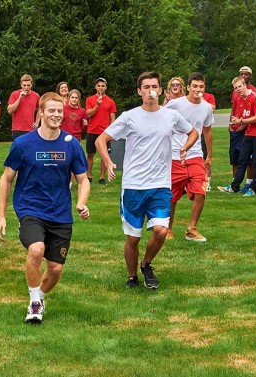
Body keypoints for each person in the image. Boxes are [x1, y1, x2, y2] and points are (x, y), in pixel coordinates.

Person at [95, 71, 198, 289]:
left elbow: (193, 132)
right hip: (133, 186)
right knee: (133, 238)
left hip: (160, 185)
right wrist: (109, 162)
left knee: (161, 231)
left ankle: (146, 263)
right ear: (139, 91)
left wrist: (185, 147)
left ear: (161, 90)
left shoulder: (170, 115)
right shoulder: (130, 116)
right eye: (146, 87)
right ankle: (132, 276)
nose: (151, 90)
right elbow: (101, 139)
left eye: (154, 86)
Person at [0, 92, 90, 323]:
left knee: (56, 269)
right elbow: (6, 178)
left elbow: (83, 179)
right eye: (52, 111)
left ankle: (39, 297)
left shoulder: (71, 144)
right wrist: (1, 216)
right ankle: (35, 303)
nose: (57, 115)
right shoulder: (23, 144)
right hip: (30, 209)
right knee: (36, 249)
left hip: (60, 213)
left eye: (60, 111)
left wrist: (81, 201)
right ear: (41, 113)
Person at [165, 72, 213, 242]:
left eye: (201, 87)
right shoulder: (176, 104)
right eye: (195, 86)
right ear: (188, 87)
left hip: (195, 156)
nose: (198, 90)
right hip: (175, 156)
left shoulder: (206, 107)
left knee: (201, 190)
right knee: (171, 195)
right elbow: (162, 120)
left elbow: (207, 130)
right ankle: (168, 228)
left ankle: (192, 229)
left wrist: (209, 156)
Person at [218, 76, 256, 196]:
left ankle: (253, 188)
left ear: (245, 85)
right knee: (242, 159)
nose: (238, 89)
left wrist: (241, 121)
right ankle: (234, 186)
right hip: (248, 132)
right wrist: (237, 122)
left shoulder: (254, 96)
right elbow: (242, 117)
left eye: (240, 86)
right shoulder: (240, 99)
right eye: (235, 88)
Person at [86, 78, 116, 185]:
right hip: (92, 130)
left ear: (106, 87)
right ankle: (88, 176)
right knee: (90, 154)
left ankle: (102, 177)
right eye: (99, 86)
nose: (101, 87)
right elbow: (89, 114)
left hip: (104, 132)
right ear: (95, 87)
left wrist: (111, 131)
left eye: (103, 86)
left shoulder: (110, 101)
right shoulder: (89, 99)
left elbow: (112, 118)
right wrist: (97, 105)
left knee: (104, 155)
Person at [7, 74, 40, 141]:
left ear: (31, 85)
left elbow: (40, 109)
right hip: (17, 129)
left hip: (31, 129)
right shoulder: (15, 94)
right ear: (21, 85)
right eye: (24, 85)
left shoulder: (36, 95)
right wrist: (19, 98)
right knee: (18, 151)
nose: (26, 87)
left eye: (28, 85)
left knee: (30, 150)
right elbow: (10, 111)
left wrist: (37, 122)